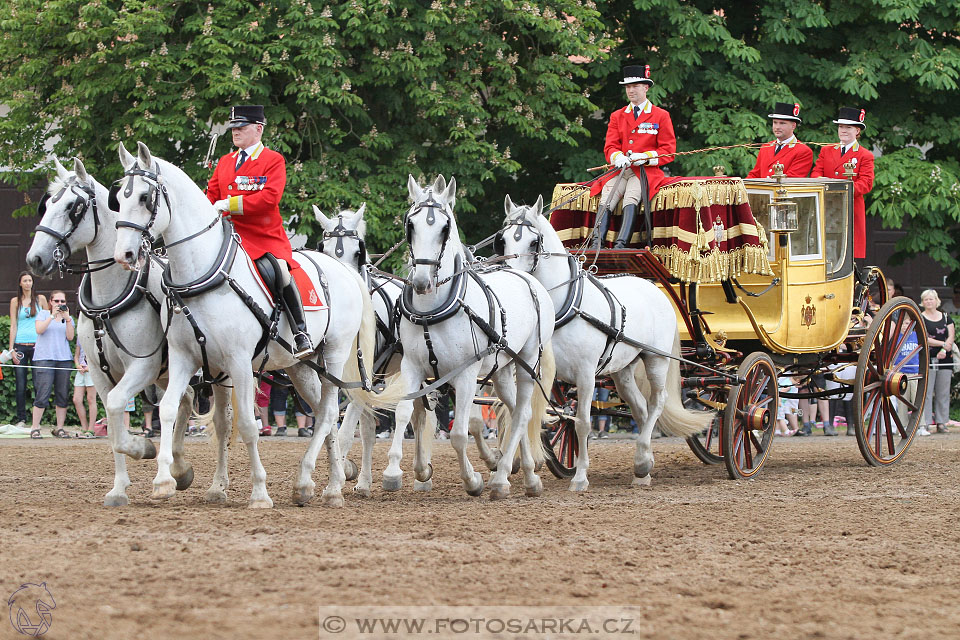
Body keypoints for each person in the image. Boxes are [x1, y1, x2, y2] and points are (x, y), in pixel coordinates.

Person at [206, 104, 312, 358]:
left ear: (258, 129)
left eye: (241, 127)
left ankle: (300, 332)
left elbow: (270, 199)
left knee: (280, 271)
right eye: (233, 127)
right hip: (227, 236)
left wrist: (229, 204)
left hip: (263, 237)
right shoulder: (225, 162)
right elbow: (210, 195)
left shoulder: (272, 160)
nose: (236, 132)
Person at [591, 63, 676, 249]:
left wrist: (645, 156)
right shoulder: (617, 116)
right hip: (620, 169)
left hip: (645, 171)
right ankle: (596, 243)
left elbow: (669, 151)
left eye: (635, 86)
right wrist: (617, 157)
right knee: (608, 197)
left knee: (631, 197)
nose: (631, 91)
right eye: (628, 87)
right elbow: (610, 146)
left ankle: (621, 244)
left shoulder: (660, 115)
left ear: (646, 87)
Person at [811, 107, 874, 260]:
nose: (843, 130)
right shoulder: (827, 150)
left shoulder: (865, 155)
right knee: (825, 244)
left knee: (848, 248)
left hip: (850, 206)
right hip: (827, 205)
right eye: (841, 127)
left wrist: (842, 189)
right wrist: (821, 181)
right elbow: (816, 172)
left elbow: (866, 183)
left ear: (857, 131)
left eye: (848, 127)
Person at [30, 290, 75, 439]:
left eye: (62, 301)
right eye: (57, 301)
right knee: (42, 394)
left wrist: (67, 319)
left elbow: (70, 337)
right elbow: (39, 330)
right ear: (50, 302)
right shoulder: (43, 314)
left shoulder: (68, 318)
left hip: (63, 359)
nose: (60, 304)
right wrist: (52, 316)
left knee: (62, 394)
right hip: (44, 358)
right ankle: (35, 427)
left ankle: (60, 428)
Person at [8, 271, 48, 427]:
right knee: (20, 383)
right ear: (20, 283)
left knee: (40, 383)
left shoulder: (40, 299)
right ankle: (22, 419)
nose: (27, 283)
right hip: (20, 346)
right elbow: (13, 325)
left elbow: (47, 321)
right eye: (24, 280)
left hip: (38, 346)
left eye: (30, 280)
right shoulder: (15, 301)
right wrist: (11, 349)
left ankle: (38, 419)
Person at [746, 102, 813, 178]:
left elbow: (791, 179)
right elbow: (754, 175)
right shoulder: (766, 147)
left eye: (782, 123)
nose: (777, 127)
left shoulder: (803, 151)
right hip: (762, 189)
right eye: (775, 123)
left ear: (793, 126)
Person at [919, 289, 954, 434]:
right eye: (926, 299)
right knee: (927, 392)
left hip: (945, 358)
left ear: (936, 300)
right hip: (928, 358)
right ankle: (926, 422)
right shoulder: (920, 317)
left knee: (943, 392)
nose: (928, 302)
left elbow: (951, 335)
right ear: (923, 302)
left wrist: (945, 348)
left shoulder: (946, 317)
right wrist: (941, 344)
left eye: (931, 299)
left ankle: (942, 422)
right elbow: (923, 338)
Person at [72, 343, 98, 435]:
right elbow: (77, 354)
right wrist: (77, 364)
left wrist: (90, 367)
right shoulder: (80, 335)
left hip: (92, 371)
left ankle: (91, 429)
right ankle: (84, 427)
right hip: (81, 371)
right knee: (77, 400)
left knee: (91, 399)